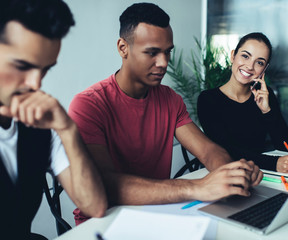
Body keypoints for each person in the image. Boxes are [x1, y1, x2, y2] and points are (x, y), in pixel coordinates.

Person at [68, 3, 262, 224]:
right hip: (103, 222)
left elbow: (207, 151)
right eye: (151, 52)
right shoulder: (88, 104)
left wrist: (233, 174)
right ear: (123, 48)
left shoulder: (170, 99)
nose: (163, 63)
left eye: (167, 52)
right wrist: (198, 187)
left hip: (157, 214)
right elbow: (106, 185)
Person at [0, 0, 107, 239]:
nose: (36, 84)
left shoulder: (40, 126)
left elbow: (94, 205)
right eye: (22, 66)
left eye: (45, 69)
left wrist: (67, 129)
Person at [197, 32, 288, 173]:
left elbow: (285, 146)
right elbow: (224, 151)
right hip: (224, 176)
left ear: (264, 69)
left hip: (261, 174)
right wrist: (274, 163)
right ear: (233, 55)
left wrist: (267, 111)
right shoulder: (208, 99)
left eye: (259, 62)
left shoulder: (265, 95)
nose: (250, 66)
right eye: (245, 56)